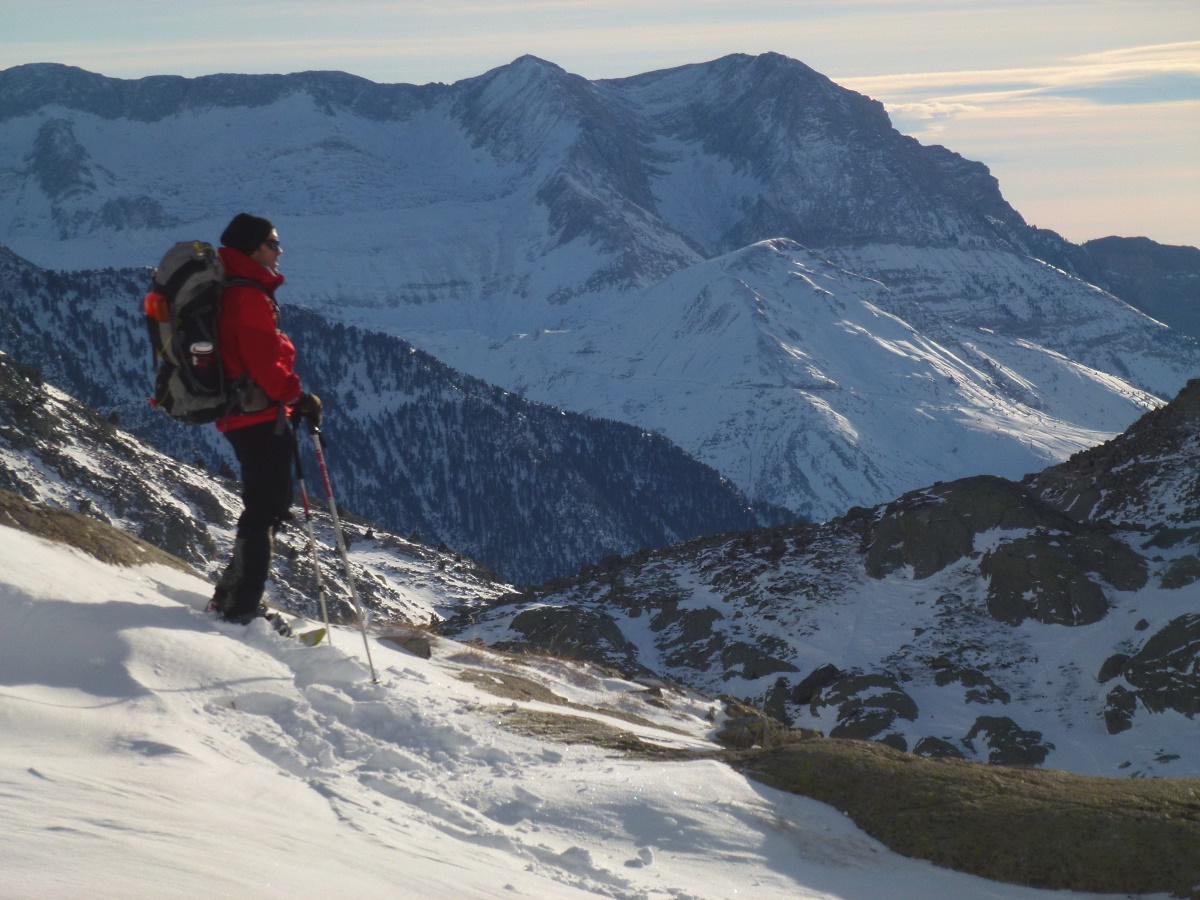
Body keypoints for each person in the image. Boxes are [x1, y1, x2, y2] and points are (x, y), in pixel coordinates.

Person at [209, 213, 322, 624]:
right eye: (273, 243)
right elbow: (264, 363)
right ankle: (240, 607)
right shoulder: (249, 297)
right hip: (257, 416)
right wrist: (298, 397)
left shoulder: (237, 290)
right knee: (266, 509)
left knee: (263, 507)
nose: (279, 250)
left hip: (247, 414)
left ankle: (233, 596)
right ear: (253, 248)